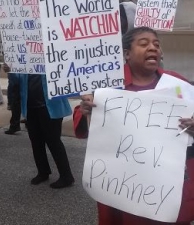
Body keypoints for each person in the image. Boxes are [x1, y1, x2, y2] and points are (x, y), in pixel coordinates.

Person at [80, 27, 194, 225]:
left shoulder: (178, 84)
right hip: (126, 187)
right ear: (127, 54)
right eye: (144, 44)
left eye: (156, 45)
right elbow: (83, 125)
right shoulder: (109, 86)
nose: (153, 48)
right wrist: (87, 111)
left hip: (170, 185)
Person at [19, 73, 75, 188]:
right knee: (35, 141)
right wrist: (11, 70)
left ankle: (66, 176)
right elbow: (17, 81)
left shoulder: (51, 56)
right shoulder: (23, 60)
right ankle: (43, 172)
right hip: (31, 107)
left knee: (54, 142)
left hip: (51, 107)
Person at [3, 63, 22, 135]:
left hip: (16, 73)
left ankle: (15, 125)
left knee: (16, 101)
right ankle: (15, 124)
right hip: (16, 72)